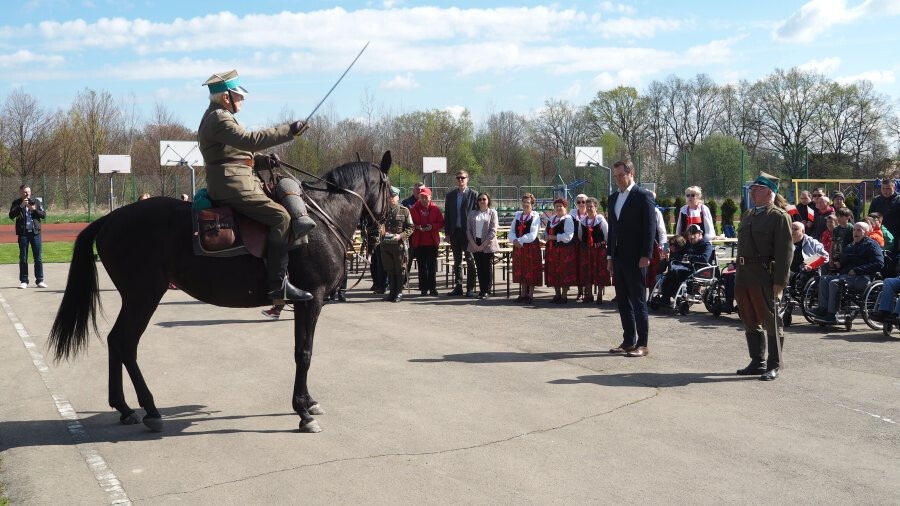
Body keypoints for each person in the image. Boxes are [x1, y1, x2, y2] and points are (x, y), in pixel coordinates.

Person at [198, 69, 315, 302]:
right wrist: (289, 131)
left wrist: (262, 160)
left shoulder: (219, 117)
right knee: (281, 217)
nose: (243, 99)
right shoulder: (219, 118)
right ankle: (277, 286)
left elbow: (235, 153)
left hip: (236, 178)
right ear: (225, 97)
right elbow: (249, 141)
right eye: (238, 95)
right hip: (232, 185)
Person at [734, 172, 793, 381]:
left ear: (769, 191)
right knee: (749, 319)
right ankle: (757, 361)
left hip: (764, 276)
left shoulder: (778, 216)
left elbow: (785, 252)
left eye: (756, 188)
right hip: (744, 276)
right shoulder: (749, 214)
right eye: (752, 188)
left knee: (771, 320)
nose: (752, 191)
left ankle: (774, 365)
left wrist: (780, 282)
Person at [606, 159, 657, 358]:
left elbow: (650, 227)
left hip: (637, 258)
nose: (618, 180)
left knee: (638, 301)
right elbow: (612, 231)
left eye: (621, 175)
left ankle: (642, 343)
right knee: (623, 302)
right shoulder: (613, 199)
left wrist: (646, 255)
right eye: (616, 176)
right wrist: (609, 256)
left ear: (631, 173)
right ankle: (628, 341)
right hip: (618, 257)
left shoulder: (642, 196)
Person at [812, 222, 883, 324]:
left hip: (863, 277)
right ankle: (822, 309)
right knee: (824, 279)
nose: (855, 232)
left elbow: (879, 263)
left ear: (867, 233)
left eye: (859, 230)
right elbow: (844, 262)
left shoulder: (872, 245)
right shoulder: (850, 245)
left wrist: (857, 270)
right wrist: (837, 264)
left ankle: (832, 314)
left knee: (835, 282)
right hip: (846, 276)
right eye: (854, 230)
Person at [444, 170, 479, 297]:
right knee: (457, 261)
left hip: (468, 233)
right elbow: (447, 216)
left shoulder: (473, 195)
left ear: (467, 179)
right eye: (458, 177)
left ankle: (470, 288)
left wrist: (476, 235)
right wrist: (447, 233)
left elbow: (477, 215)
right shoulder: (450, 195)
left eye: (462, 178)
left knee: (470, 260)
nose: (460, 180)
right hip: (455, 232)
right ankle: (458, 287)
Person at [659, 224, 715, 303]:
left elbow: (705, 259)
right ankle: (665, 295)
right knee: (671, 271)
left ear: (699, 234)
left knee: (676, 272)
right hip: (687, 267)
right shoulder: (689, 244)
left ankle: (668, 295)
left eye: (692, 234)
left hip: (699, 269)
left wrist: (689, 257)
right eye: (689, 235)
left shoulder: (706, 245)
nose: (690, 237)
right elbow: (680, 253)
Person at [380, 186, 415, 303]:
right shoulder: (383, 211)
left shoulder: (404, 210)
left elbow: (410, 228)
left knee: (400, 269)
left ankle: (399, 293)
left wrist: (400, 236)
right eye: (389, 197)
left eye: (393, 197)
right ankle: (392, 292)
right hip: (385, 245)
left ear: (398, 197)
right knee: (389, 269)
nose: (391, 199)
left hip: (398, 245)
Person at [9, 185, 47, 289]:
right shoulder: (16, 203)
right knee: (23, 258)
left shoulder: (36, 201)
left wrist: (34, 210)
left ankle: (40, 280)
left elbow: (44, 215)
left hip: (35, 233)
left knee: (38, 257)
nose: (27, 194)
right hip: (23, 234)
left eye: (29, 192)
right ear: (20, 192)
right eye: (25, 192)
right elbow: (11, 215)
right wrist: (21, 206)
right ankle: (24, 281)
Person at [509, 193, 543, 303]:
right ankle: (523, 294)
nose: (525, 204)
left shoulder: (535, 216)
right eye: (524, 202)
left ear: (532, 204)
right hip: (519, 246)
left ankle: (530, 295)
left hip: (530, 246)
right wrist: (514, 240)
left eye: (528, 202)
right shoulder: (518, 215)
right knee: (521, 269)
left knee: (531, 269)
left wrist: (519, 240)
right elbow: (512, 231)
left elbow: (533, 234)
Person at [576, 197, 610, 304]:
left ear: (596, 207)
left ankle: (599, 295)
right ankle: (589, 295)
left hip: (599, 251)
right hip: (587, 251)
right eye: (588, 206)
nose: (589, 208)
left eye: (591, 206)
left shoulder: (601, 220)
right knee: (587, 271)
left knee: (600, 272)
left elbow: (607, 236)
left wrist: (602, 243)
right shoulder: (583, 221)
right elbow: (580, 236)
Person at [411, 187, 444, 297]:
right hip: (419, 242)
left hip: (432, 242)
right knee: (422, 267)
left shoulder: (435, 209)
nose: (424, 199)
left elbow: (441, 223)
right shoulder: (414, 209)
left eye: (426, 196)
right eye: (422, 196)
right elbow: (410, 224)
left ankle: (433, 288)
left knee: (432, 266)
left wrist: (432, 226)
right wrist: (417, 227)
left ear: (430, 197)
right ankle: (424, 288)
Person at [466, 192, 500, 299]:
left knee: (487, 267)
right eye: (480, 199)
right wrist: (474, 244)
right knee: (479, 268)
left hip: (488, 244)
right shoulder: (472, 213)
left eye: (484, 199)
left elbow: (493, 231)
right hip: (475, 243)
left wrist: (483, 245)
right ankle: (481, 290)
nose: (482, 201)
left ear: (488, 200)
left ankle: (487, 291)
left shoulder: (492, 213)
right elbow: (468, 230)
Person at [544, 198, 577, 303]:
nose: (558, 208)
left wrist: (552, 237)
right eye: (556, 206)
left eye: (560, 206)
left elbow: (568, 237)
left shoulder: (568, 219)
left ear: (565, 207)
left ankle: (564, 295)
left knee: (564, 272)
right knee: (554, 271)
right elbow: (546, 232)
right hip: (552, 250)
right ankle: (557, 294)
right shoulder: (552, 219)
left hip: (564, 250)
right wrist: (544, 236)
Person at [870, 174, 900, 252]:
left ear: (894, 188)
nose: (885, 191)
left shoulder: (898, 200)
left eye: (888, 188)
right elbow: (870, 217)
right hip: (880, 234)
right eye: (883, 188)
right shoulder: (876, 200)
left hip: (896, 234)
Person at [401, 182, 425, 274]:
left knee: (422, 262)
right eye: (417, 189)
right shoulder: (406, 202)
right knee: (407, 260)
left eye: (421, 190)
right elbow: (404, 220)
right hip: (410, 236)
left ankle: (423, 285)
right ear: (413, 190)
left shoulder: (427, 202)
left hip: (423, 237)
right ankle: (404, 282)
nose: (419, 191)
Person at [570, 193, 589, 301]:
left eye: (584, 201)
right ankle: (579, 291)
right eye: (579, 202)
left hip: (586, 246)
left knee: (586, 268)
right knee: (577, 268)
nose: (581, 204)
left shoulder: (591, 214)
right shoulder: (572, 214)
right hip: (575, 245)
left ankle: (587, 292)